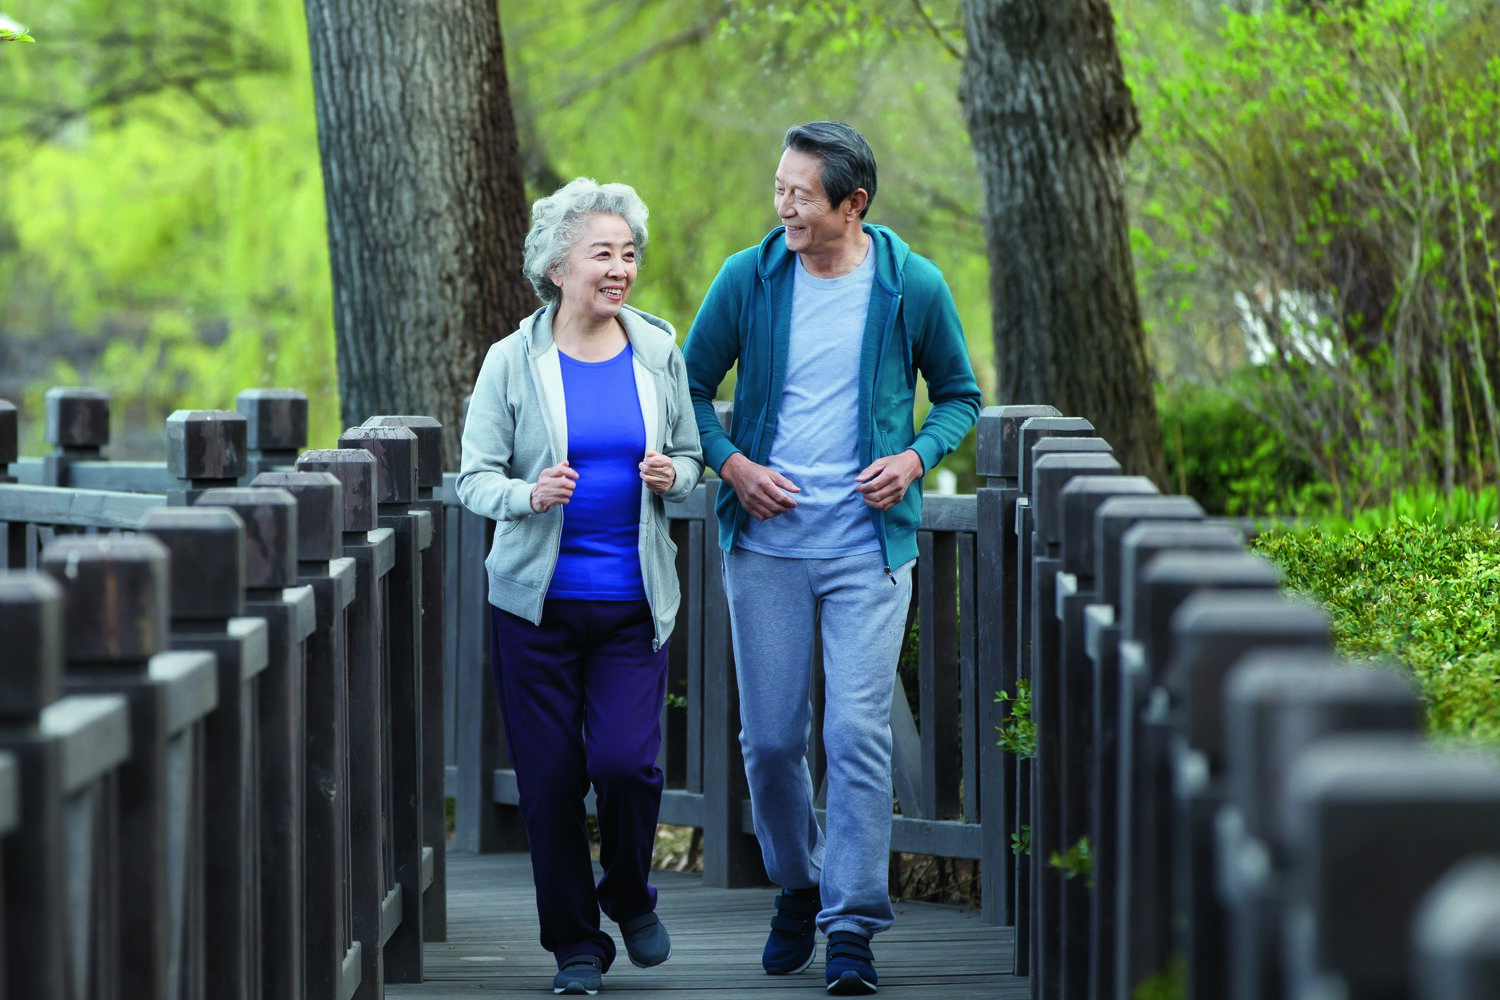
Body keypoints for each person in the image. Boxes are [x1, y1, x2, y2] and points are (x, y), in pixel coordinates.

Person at [681, 121, 982, 995]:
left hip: (866, 551)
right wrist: (733, 465)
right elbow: (689, 389)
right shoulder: (750, 276)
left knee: (854, 733)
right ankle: (798, 880)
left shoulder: (909, 285)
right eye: (778, 188)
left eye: (800, 195)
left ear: (853, 204)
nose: (783, 207)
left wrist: (915, 458)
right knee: (771, 742)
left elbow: (959, 395)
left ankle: (851, 925)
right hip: (766, 548)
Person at [456, 177, 704, 996]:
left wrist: (677, 474)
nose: (620, 268)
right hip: (534, 608)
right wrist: (525, 497)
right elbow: (473, 479)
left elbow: (695, 461)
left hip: (634, 603)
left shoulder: (658, 351)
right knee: (553, 777)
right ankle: (576, 948)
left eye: (628, 254)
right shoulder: (512, 362)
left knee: (627, 764)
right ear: (558, 267)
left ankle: (629, 895)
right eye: (603, 253)